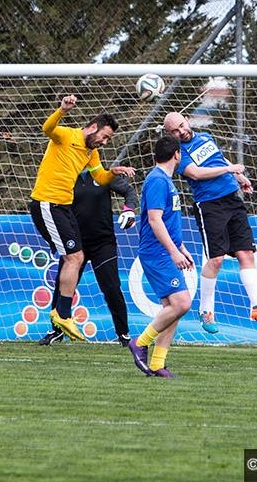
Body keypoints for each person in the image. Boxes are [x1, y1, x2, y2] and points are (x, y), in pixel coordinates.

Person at [29, 94, 135, 342]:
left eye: (109, 139)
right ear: (93, 127)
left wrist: (113, 173)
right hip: (47, 203)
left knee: (73, 259)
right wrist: (62, 110)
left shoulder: (91, 153)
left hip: (63, 208)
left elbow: (100, 178)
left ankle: (63, 316)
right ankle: (62, 316)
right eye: (105, 136)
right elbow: (47, 128)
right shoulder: (66, 135)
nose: (105, 142)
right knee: (73, 258)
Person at [162, 112, 257, 333]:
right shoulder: (178, 153)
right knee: (216, 260)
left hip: (232, 200)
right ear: (170, 134)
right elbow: (195, 173)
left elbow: (220, 159)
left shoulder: (206, 136)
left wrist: (238, 177)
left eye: (181, 126)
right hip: (209, 205)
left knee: (246, 253)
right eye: (175, 131)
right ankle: (206, 311)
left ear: (187, 119)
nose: (181, 132)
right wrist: (230, 169)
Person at [37, 169, 138, 346]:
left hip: (103, 243)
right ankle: (56, 331)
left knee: (112, 288)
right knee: (62, 287)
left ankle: (123, 334)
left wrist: (129, 210)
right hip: (75, 244)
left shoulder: (102, 174)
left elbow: (129, 191)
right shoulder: (65, 176)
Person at [128, 137, 194, 378]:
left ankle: (157, 363)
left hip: (166, 250)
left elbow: (166, 221)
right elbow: (154, 220)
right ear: (176, 154)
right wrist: (174, 252)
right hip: (158, 253)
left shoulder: (164, 180)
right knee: (182, 303)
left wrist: (181, 247)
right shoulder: (157, 180)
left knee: (173, 308)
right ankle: (140, 343)